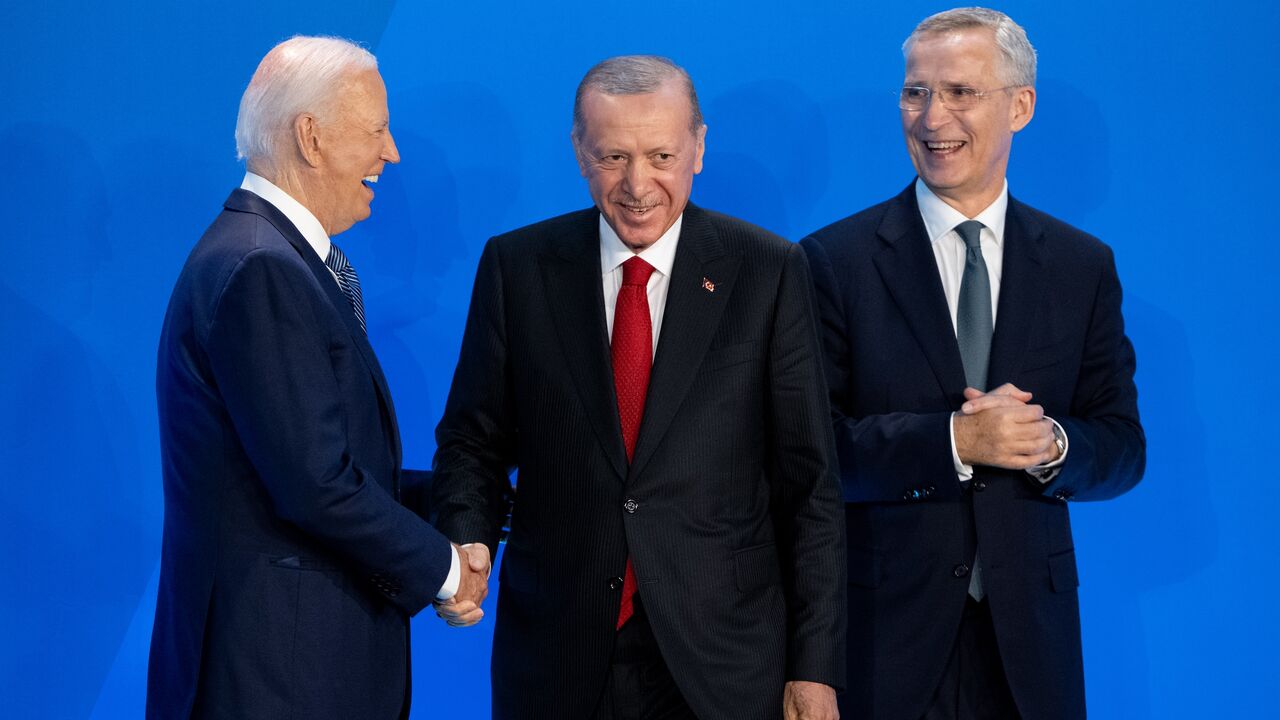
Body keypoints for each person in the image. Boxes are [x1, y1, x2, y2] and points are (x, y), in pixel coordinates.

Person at [431, 55, 846, 720]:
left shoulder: (767, 271)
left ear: (698, 149)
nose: (637, 184)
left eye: (660, 155)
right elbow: (472, 442)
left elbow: (811, 487)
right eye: (613, 156)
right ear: (579, 151)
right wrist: (469, 538)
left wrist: (815, 668)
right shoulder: (518, 267)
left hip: (726, 664)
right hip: (558, 656)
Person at [799, 8, 1146, 719]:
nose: (931, 117)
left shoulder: (1082, 266)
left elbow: (1122, 448)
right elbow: (808, 453)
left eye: (959, 91)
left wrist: (1051, 445)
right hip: (882, 643)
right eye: (914, 92)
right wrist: (953, 443)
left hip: (1031, 652)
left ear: (1019, 106)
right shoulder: (833, 261)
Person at [147, 36, 487, 719]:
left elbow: (321, 463)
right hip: (276, 677)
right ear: (310, 136)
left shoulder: (276, 257)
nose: (390, 153)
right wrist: (446, 571)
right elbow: (313, 485)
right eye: (376, 131)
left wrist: (478, 508)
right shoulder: (260, 267)